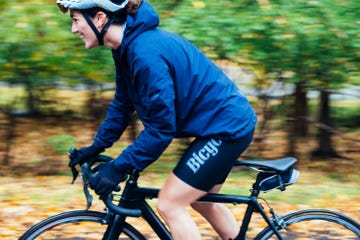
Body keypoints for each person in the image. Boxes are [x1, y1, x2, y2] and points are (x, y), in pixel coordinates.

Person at [56, 0, 257, 239]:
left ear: (99, 18)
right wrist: (96, 146)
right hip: (222, 124)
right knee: (201, 201)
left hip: (227, 128)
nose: (74, 29)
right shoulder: (125, 49)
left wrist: (118, 168)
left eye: (76, 20)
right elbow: (122, 104)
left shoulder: (144, 54)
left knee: (170, 204)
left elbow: (161, 129)